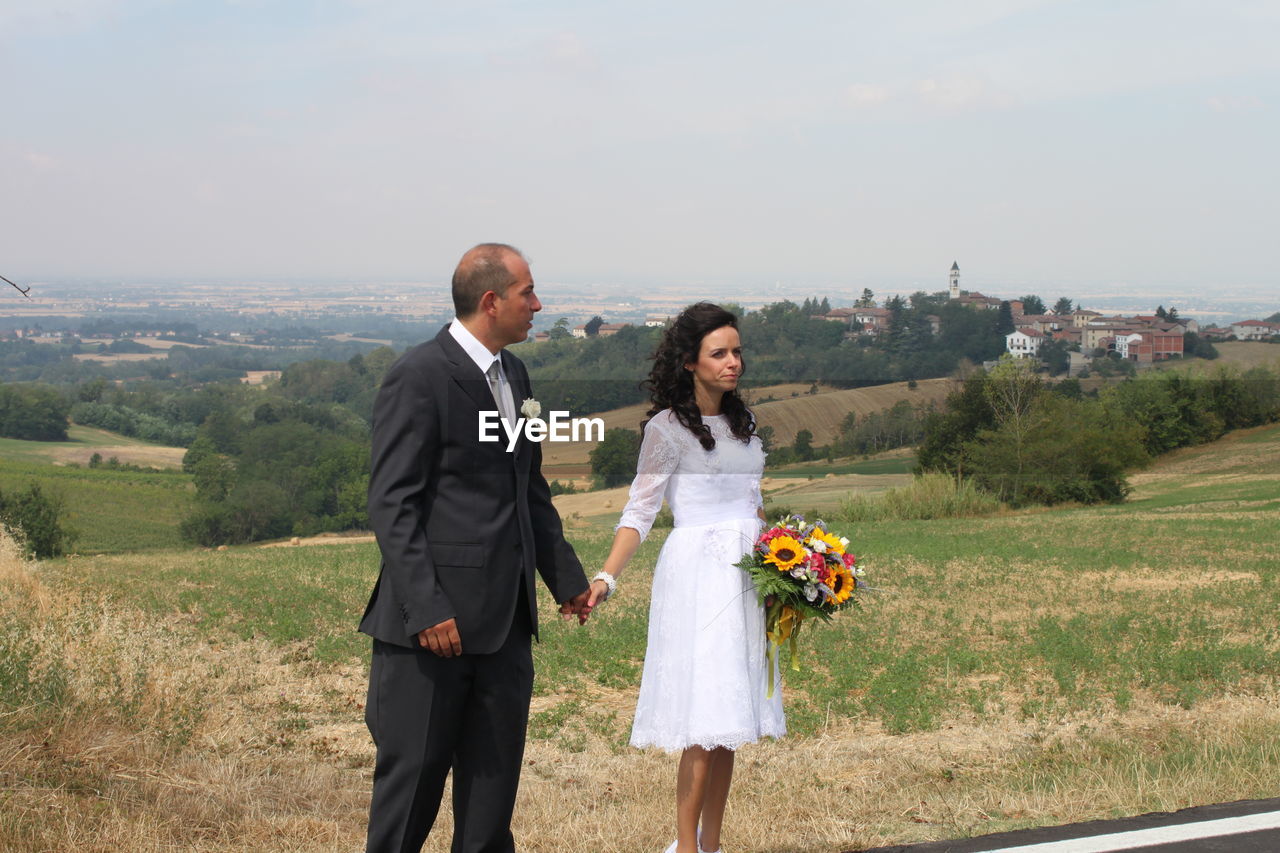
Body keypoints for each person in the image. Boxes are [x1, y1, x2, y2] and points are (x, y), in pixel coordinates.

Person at [361, 243, 593, 853]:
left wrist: (565, 578)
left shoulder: (515, 375)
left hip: (506, 627)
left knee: (490, 806)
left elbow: (529, 490)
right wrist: (427, 608)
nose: (538, 305)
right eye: (528, 294)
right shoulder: (419, 375)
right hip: (431, 634)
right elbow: (392, 503)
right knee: (408, 798)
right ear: (491, 302)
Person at [586, 302, 784, 853]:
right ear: (691, 363)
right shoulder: (666, 430)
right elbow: (639, 512)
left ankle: (713, 844)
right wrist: (607, 576)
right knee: (703, 721)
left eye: (737, 351)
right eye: (719, 353)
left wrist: (792, 568)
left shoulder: (744, 423)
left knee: (729, 723)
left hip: (748, 578)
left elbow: (755, 504)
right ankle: (685, 847)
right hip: (699, 576)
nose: (733, 362)